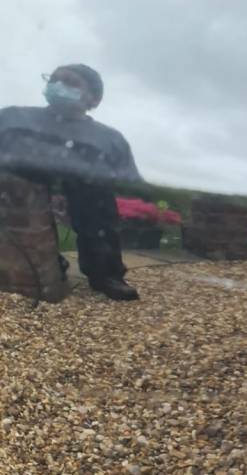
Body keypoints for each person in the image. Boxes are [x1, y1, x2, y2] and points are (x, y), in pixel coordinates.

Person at [0, 64, 142, 301]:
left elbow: (128, 180)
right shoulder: (13, 118)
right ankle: (48, 260)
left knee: (99, 203)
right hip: (16, 192)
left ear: (94, 99)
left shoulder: (109, 139)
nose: (58, 86)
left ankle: (106, 273)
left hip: (87, 196)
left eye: (70, 82)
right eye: (53, 80)